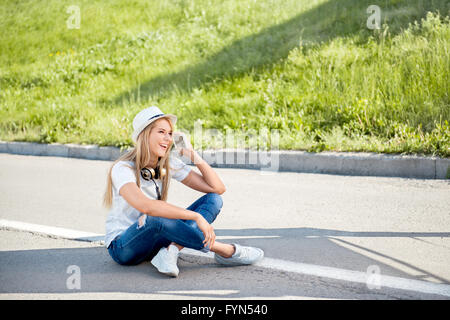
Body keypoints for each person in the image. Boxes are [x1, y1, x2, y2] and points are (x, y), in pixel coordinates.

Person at [103, 106, 264, 277]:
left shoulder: (168, 164)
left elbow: (217, 188)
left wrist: (193, 155)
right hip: (124, 246)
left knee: (213, 199)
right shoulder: (123, 168)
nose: (168, 139)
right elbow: (146, 206)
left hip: (156, 241)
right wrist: (195, 216)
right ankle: (226, 250)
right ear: (144, 135)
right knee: (154, 218)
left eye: (170, 134)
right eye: (161, 132)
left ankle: (170, 251)